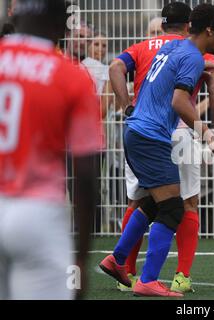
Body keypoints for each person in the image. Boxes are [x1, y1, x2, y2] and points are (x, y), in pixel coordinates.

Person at [100, 3, 214, 297]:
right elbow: (179, 102)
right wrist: (210, 133)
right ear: (208, 30)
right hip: (152, 137)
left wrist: (127, 107)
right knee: (174, 207)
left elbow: (120, 69)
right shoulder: (194, 56)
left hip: (136, 131)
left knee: (153, 202)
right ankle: (148, 280)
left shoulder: (166, 49)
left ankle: (117, 260)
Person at [0, 0, 103, 299]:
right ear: (61, 22)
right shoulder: (71, 76)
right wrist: (81, 256)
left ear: (16, 15)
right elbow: (85, 172)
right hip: (36, 213)